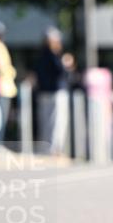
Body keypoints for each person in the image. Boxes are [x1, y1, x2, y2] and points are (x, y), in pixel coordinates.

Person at [34, 27, 71, 155]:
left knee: (46, 121)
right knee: (56, 122)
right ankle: (54, 149)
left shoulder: (40, 55)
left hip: (43, 92)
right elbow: (61, 72)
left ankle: (48, 148)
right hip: (55, 92)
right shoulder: (54, 55)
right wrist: (67, 64)